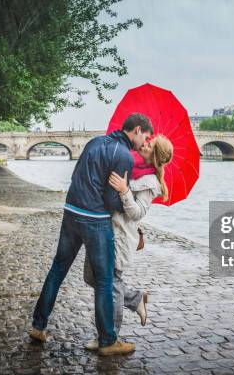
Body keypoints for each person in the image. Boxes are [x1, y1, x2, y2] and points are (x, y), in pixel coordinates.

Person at [29, 113, 153, 356]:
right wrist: (125, 201)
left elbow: (76, 176)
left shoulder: (95, 142)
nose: (144, 143)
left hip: (71, 211)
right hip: (95, 220)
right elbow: (110, 198)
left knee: (57, 270)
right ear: (137, 130)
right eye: (145, 137)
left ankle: (38, 325)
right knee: (105, 280)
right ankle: (108, 340)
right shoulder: (124, 156)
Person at [83, 135, 173, 350]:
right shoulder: (129, 164)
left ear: (155, 156)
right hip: (103, 226)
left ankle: (109, 338)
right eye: (147, 140)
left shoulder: (150, 182)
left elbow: (136, 213)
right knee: (91, 277)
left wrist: (124, 191)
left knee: (111, 285)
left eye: (149, 145)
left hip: (120, 235)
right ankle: (135, 299)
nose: (144, 143)